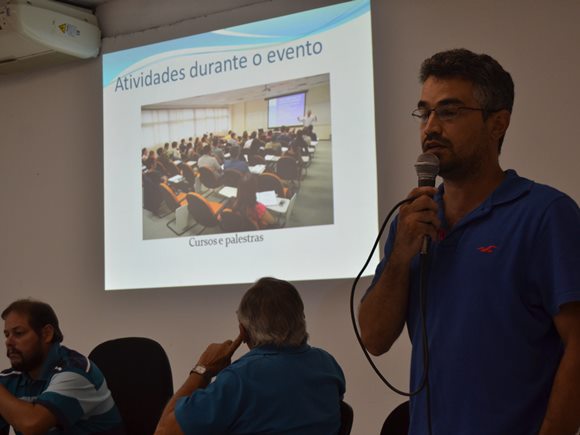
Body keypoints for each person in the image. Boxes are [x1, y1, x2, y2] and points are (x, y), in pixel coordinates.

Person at [358, 48, 580, 435]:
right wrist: (400, 255)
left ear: (498, 124)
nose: (430, 127)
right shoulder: (412, 220)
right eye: (424, 113)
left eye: (449, 112)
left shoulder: (545, 214)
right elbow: (374, 339)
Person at [154, 277, 346, 435]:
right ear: (301, 319)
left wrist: (202, 369)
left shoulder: (239, 379)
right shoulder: (328, 365)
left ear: (243, 331)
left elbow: (164, 431)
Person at [0, 299, 125, 435]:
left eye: (18, 333)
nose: (8, 342)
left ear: (47, 334)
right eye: (7, 335)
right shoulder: (10, 379)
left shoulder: (77, 371)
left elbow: (32, 424)